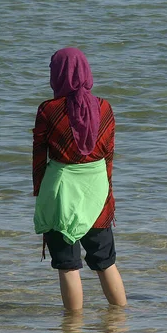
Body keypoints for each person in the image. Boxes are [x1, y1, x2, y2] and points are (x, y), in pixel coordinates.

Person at [33, 47, 127, 311]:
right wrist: (107, 195)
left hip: (61, 191)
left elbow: (39, 156)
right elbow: (108, 154)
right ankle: (121, 324)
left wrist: (40, 194)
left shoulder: (48, 110)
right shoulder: (105, 107)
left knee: (67, 265)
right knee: (105, 261)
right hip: (96, 190)